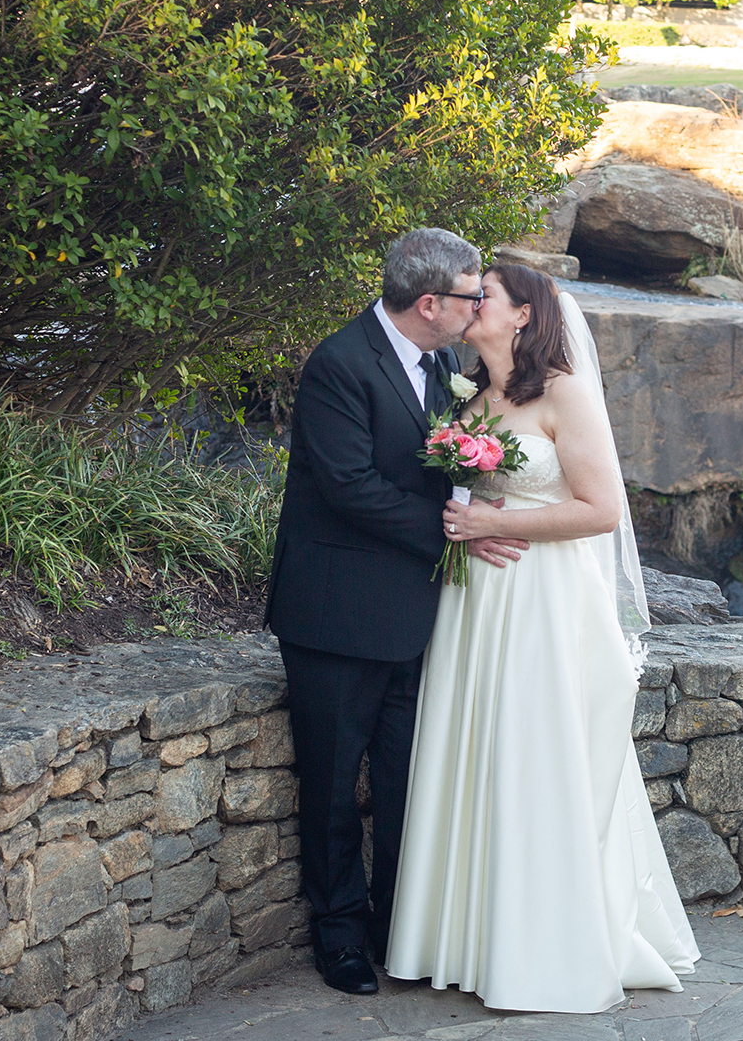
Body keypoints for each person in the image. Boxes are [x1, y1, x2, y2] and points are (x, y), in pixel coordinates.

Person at [387, 263, 700, 1012]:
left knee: (531, 755)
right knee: (474, 750)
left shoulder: (565, 392)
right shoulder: (466, 396)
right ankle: (463, 940)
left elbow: (602, 510)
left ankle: (540, 948)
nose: (472, 303)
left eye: (485, 294)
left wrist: (495, 522)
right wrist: (463, 521)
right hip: (474, 603)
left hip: (544, 601)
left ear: (523, 314)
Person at [265, 228, 527, 997]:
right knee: (332, 785)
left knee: (407, 782)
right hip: (336, 618)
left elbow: (443, 464)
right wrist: (458, 532)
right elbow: (349, 487)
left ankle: (395, 928)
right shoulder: (340, 364)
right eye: (472, 295)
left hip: (416, 616)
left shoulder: (442, 363)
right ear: (430, 303)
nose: (479, 306)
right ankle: (340, 936)